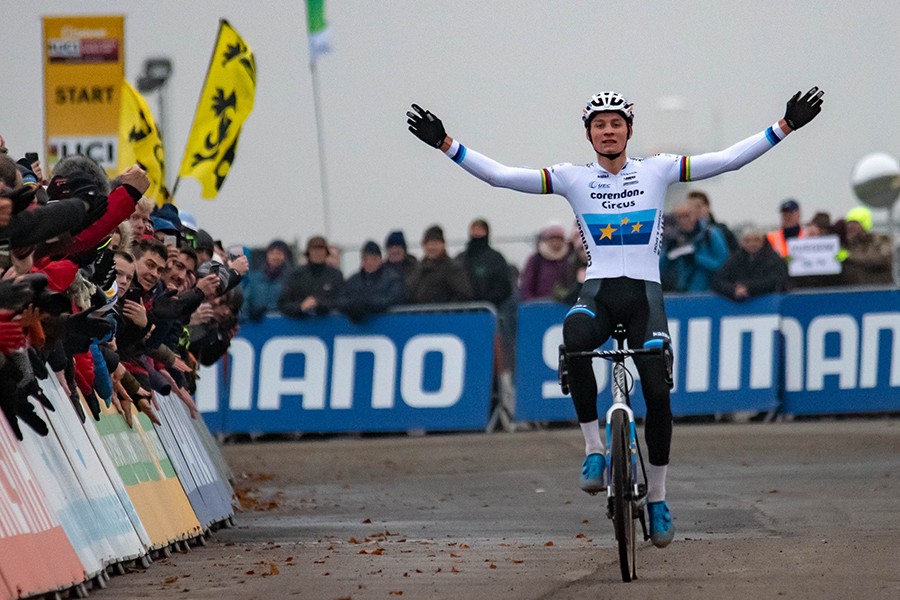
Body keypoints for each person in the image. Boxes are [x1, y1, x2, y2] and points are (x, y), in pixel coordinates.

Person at [407, 85, 824, 548]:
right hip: (600, 292)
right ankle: (593, 448)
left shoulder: (659, 169)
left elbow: (727, 160)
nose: (608, 131)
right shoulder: (572, 178)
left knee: (659, 395)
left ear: (628, 130)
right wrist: (448, 145)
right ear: (589, 135)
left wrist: (782, 127)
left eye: (616, 124)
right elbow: (502, 177)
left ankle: (660, 498)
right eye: (599, 125)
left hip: (646, 297)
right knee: (575, 335)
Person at [659, 200, 729, 292]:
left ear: (696, 216)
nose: (684, 220)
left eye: (687, 216)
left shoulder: (710, 234)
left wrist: (696, 258)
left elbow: (723, 265)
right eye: (679, 217)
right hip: (680, 292)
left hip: (707, 293)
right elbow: (660, 269)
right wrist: (667, 254)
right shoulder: (672, 238)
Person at [334, 240, 405, 322]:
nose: (369, 262)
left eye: (373, 259)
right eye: (365, 259)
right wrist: (353, 306)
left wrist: (367, 304)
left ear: (380, 259)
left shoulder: (392, 279)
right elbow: (339, 300)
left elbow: (394, 299)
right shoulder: (352, 281)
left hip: (385, 323)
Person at [710, 229, 788, 300]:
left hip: (768, 303)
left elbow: (775, 281)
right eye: (747, 241)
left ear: (763, 241)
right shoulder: (735, 259)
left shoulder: (774, 259)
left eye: (756, 240)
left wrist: (748, 287)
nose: (752, 244)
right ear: (742, 243)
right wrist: (733, 289)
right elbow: (718, 281)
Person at [278, 235, 344, 318]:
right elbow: (283, 304)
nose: (318, 253)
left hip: (329, 325)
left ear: (326, 252)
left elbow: (341, 301)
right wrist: (300, 307)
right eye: (314, 250)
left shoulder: (335, 275)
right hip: (300, 326)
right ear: (308, 253)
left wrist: (320, 304)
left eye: (321, 250)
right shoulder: (296, 275)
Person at [406, 225, 473, 304]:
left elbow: (464, 294)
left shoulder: (452, 268)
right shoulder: (417, 269)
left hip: (444, 314)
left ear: (443, 245)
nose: (432, 247)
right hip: (418, 315)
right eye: (429, 244)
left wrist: (445, 308)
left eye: (436, 243)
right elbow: (408, 292)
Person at [455, 218, 512, 308]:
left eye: (480, 229)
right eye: (474, 229)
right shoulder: (460, 258)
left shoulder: (496, 258)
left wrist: (488, 302)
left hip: (488, 310)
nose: (477, 232)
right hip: (463, 311)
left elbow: (504, 286)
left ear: (487, 232)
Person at [242, 239, 294, 322]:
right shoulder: (254, 279)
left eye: (279, 253)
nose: (275, 257)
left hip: (283, 324)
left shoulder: (291, 278)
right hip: (257, 324)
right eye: (272, 253)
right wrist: (249, 315)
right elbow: (246, 302)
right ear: (267, 255)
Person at [519, 223, 573, 301]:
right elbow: (526, 287)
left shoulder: (570, 259)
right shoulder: (535, 260)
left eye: (559, 238)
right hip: (538, 306)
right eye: (552, 238)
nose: (556, 242)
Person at [842, 206, 893, 285]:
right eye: (849, 223)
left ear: (864, 225)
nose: (850, 227)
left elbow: (881, 259)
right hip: (856, 291)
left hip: (880, 289)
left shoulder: (880, 241)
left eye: (855, 223)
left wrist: (850, 256)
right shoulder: (850, 245)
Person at [686, 190, 738, 254]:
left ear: (707, 207)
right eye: (690, 207)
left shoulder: (722, 230)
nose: (694, 210)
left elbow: (735, 253)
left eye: (698, 206)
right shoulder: (683, 235)